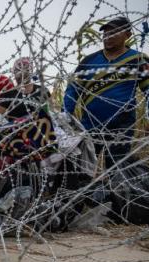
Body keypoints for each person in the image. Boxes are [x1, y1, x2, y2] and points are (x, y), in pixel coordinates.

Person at [63, 16, 149, 168]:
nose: (108, 37)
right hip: (90, 125)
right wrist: (65, 117)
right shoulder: (88, 61)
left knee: (116, 171)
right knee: (83, 169)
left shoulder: (138, 59)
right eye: (106, 33)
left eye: (114, 32)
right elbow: (73, 90)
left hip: (122, 126)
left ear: (127, 35)